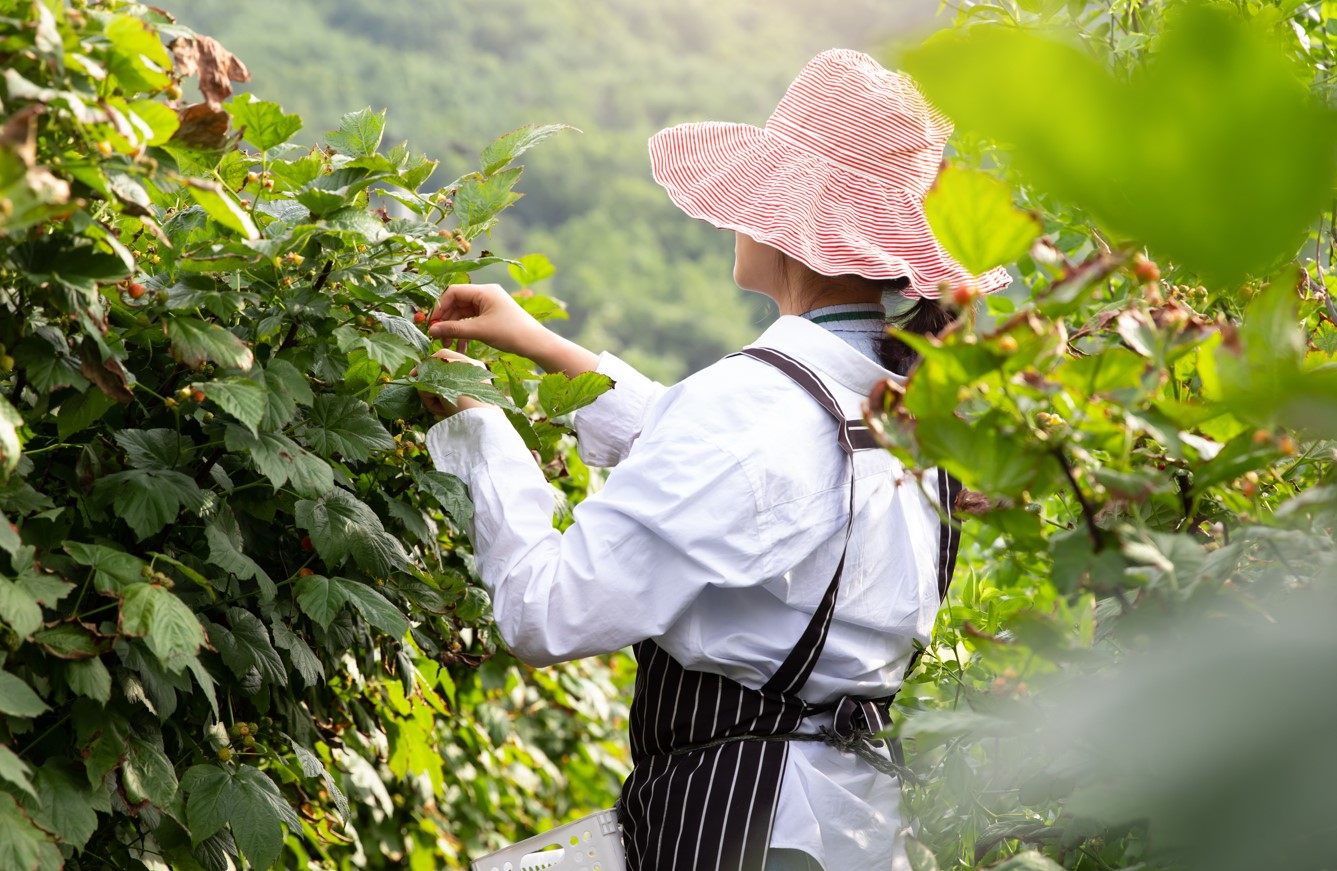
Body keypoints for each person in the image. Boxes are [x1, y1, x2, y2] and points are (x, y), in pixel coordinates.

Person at [419, 49, 1010, 871]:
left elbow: (546, 610)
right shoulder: (903, 414)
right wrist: (544, 345)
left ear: (792, 221)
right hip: (857, 831)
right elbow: (732, 476)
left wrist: (476, 428)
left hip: (737, 831)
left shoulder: (752, 409)